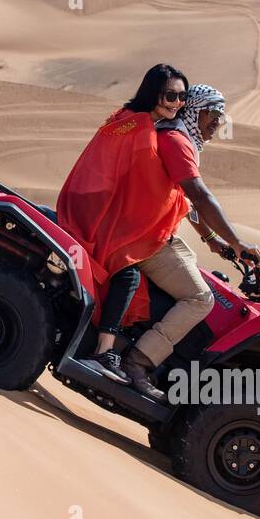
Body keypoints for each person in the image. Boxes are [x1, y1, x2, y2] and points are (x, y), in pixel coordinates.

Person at [56, 64, 193, 395]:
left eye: (182, 97)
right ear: (153, 93)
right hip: (101, 216)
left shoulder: (126, 118)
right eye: (170, 95)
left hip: (101, 210)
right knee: (127, 273)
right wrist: (181, 197)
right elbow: (149, 186)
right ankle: (104, 354)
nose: (177, 103)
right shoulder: (142, 128)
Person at [119, 82, 260, 396]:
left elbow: (181, 198)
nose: (216, 122)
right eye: (211, 113)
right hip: (142, 235)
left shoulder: (177, 137)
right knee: (201, 298)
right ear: (194, 109)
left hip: (150, 230)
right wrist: (237, 243)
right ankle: (138, 362)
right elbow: (199, 195)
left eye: (221, 117)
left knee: (194, 269)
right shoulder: (176, 141)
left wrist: (211, 238)